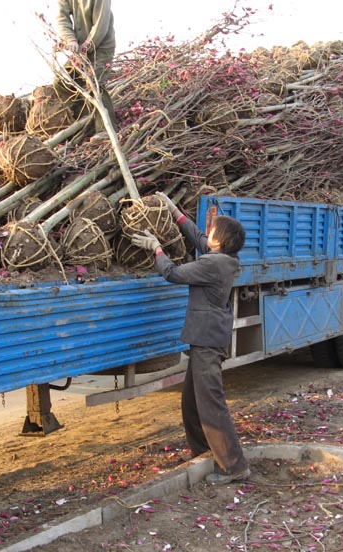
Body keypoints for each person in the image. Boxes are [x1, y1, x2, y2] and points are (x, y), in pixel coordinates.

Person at [131, 192, 250, 485]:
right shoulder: (223, 258)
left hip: (208, 342)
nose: (207, 233)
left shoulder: (213, 265)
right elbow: (197, 237)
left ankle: (234, 466)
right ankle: (204, 451)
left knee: (211, 403)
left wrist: (156, 249)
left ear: (219, 242)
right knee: (192, 402)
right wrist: (174, 211)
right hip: (205, 339)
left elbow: (172, 273)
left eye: (213, 231)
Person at [56, 0, 117, 136]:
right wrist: (71, 40)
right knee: (63, 82)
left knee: (96, 84)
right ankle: (79, 119)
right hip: (81, 47)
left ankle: (106, 130)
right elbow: (62, 19)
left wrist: (87, 45)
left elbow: (101, 25)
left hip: (101, 47)